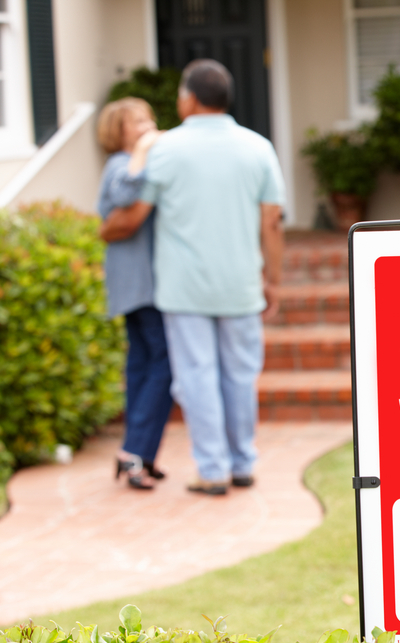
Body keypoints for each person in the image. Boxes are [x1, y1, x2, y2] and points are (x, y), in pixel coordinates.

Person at [101, 59, 285, 496]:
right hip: (241, 283)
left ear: (189, 98)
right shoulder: (258, 147)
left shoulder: (167, 149)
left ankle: (213, 470)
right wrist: (272, 278)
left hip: (183, 289)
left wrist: (106, 227)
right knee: (240, 375)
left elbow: (134, 215)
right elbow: (273, 221)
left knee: (197, 376)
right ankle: (243, 462)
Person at [95, 97, 172, 491]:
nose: (145, 126)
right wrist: (142, 151)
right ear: (117, 131)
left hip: (144, 284)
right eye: (134, 122)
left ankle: (140, 454)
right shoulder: (120, 165)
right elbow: (124, 198)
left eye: (147, 119)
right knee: (163, 364)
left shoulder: (138, 165)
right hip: (140, 286)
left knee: (143, 366)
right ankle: (135, 453)